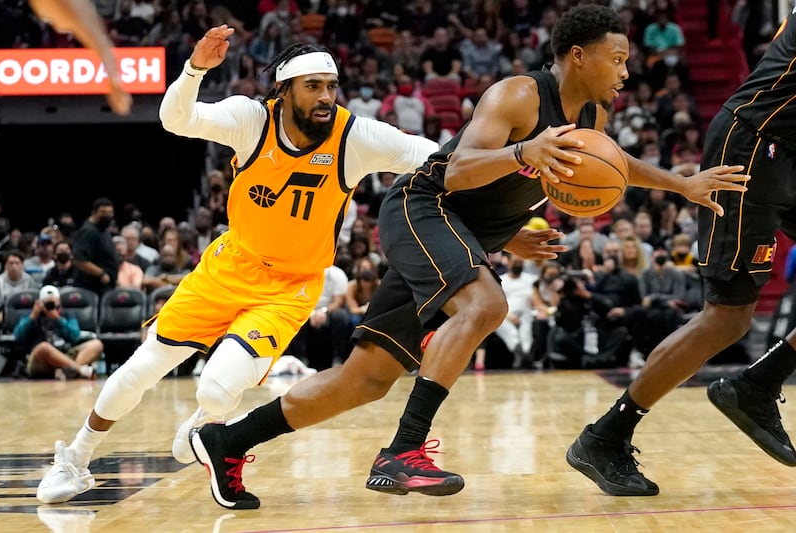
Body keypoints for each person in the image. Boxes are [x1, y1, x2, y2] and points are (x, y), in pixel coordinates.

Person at [186, 5, 748, 510]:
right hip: (420, 207)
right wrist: (523, 151)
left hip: (462, 234)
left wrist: (682, 185)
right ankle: (402, 452)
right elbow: (456, 171)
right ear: (579, 56)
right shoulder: (519, 96)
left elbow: (615, 164)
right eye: (617, 59)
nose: (626, 71)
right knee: (485, 305)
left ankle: (227, 440)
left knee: (365, 379)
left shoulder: (592, 119)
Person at [36, 25, 438, 507]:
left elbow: (433, 154)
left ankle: (203, 427)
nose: (326, 97)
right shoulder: (252, 120)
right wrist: (194, 70)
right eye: (313, 86)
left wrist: (502, 158)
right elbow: (175, 118)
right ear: (283, 90)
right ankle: (75, 458)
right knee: (143, 368)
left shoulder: (355, 136)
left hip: (290, 286)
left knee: (217, 390)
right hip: (229, 267)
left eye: (331, 86)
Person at [565, 6, 796, 497]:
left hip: (789, 153)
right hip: (755, 145)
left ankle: (759, 383)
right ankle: (606, 436)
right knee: (728, 318)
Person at [28, 0, 132, 115]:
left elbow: (101, 44)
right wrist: (115, 84)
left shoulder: (73, 13)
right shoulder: (73, 11)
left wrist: (115, 85)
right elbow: (101, 45)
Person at [15, 285, 103, 380]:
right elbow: (18, 336)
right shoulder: (31, 315)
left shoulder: (66, 315)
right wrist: (32, 316)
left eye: (53, 303)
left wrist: (58, 319)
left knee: (96, 344)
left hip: (65, 355)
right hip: (40, 359)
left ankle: (71, 372)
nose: (50, 306)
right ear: (40, 303)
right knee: (44, 347)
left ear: (59, 302)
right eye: (47, 303)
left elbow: (75, 336)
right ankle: (79, 370)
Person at [71, 198, 120, 296]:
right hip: (92, 288)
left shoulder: (104, 230)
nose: (107, 216)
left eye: (110, 213)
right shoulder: (89, 231)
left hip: (105, 287)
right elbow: (79, 260)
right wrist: (101, 273)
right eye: (103, 212)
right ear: (94, 213)